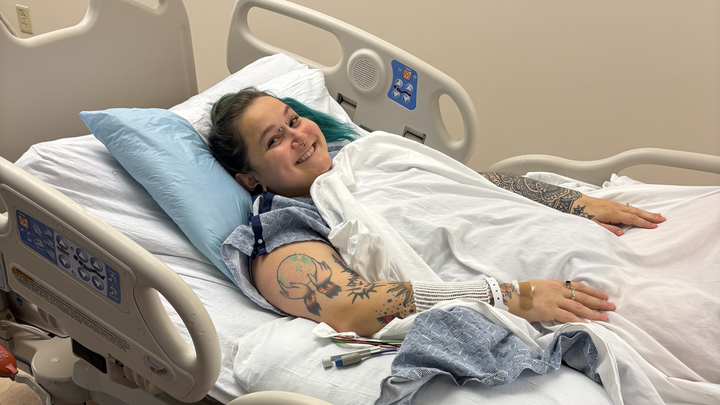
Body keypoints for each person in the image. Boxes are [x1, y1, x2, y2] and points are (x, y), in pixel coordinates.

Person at [208, 88, 666, 338]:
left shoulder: (364, 153)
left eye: (293, 119)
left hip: (560, 230)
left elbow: (466, 183)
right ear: (249, 178)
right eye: (274, 140)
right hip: (546, 280)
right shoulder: (283, 230)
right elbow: (350, 308)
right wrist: (513, 296)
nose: (298, 135)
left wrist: (572, 202)